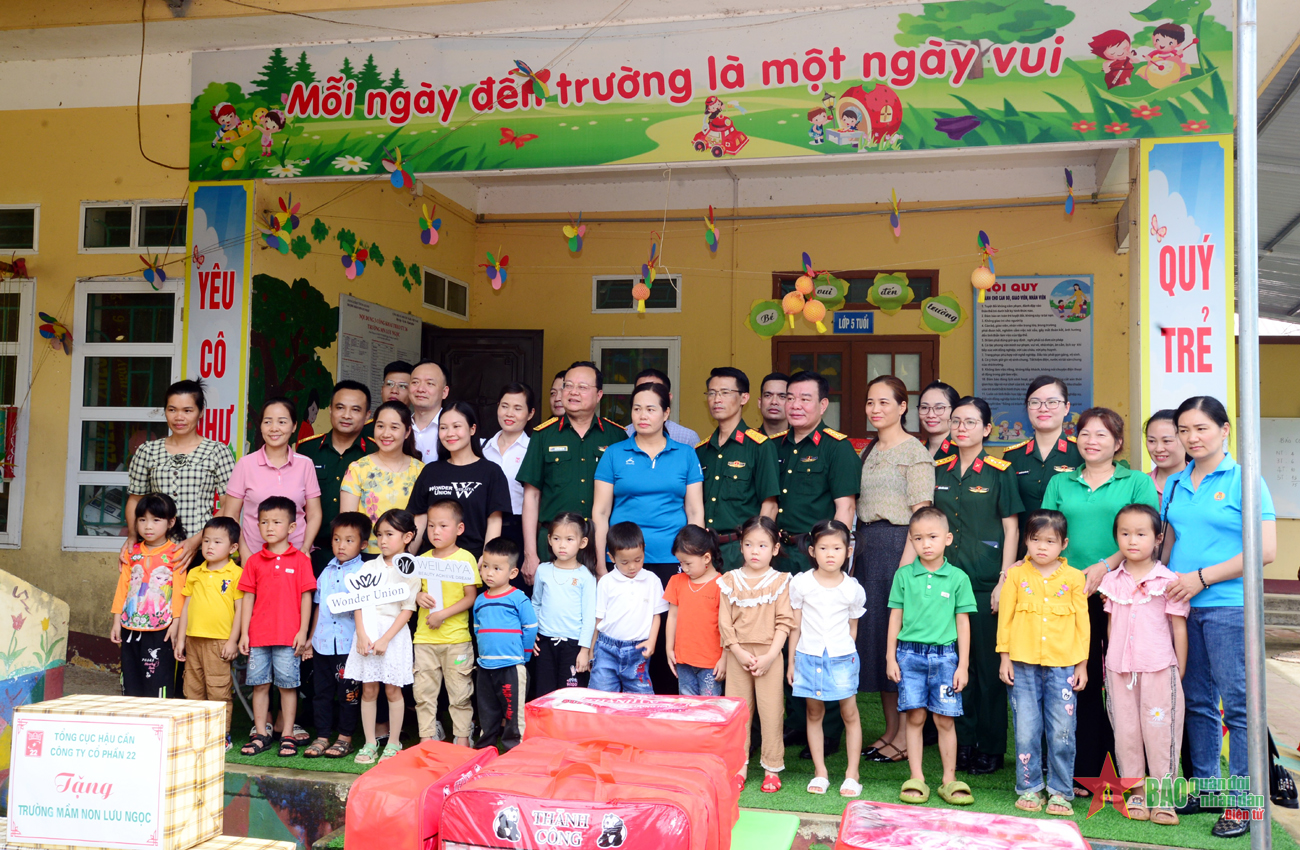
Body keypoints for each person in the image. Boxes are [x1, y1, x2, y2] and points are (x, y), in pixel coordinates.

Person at [1157, 396, 1276, 839]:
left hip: (1229, 606)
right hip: (1184, 609)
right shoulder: (1176, 482)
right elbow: (1168, 543)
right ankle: (1206, 787)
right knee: (1198, 701)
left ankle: (1242, 804)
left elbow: (1264, 551)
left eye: (1201, 428)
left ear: (1225, 430)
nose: (1192, 438)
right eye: (1184, 430)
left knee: (1240, 706)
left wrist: (1201, 578)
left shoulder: (1246, 479)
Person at [1041, 407, 1157, 795]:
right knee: (1081, 681)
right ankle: (1085, 770)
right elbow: (1047, 533)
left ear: (1118, 443)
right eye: (1085, 434)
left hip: (1125, 594)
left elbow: (1144, 533)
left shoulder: (1136, 482)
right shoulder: (1062, 483)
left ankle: (1135, 774)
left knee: (1125, 681)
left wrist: (1104, 566)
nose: (1092, 441)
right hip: (1072, 595)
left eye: (1102, 435)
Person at [593, 381, 704, 694]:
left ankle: (665, 710)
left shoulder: (685, 454)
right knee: (628, 637)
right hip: (625, 561)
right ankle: (623, 714)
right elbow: (600, 512)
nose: (643, 415)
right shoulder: (615, 454)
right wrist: (603, 561)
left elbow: (695, 512)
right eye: (637, 408)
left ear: (666, 412)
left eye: (651, 408)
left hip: (672, 562)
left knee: (668, 636)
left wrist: (690, 561)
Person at [932, 396, 1022, 775]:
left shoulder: (1000, 470)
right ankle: (963, 741)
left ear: (987, 429)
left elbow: (1012, 527)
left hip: (985, 581)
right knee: (954, 666)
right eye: (956, 421)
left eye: (970, 422)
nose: (961, 428)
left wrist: (1004, 580)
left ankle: (990, 746)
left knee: (987, 670)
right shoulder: (938, 469)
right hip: (944, 582)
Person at [854, 375, 934, 765]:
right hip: (868, 550)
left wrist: (906, 565)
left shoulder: (915, 451)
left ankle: (906, 735)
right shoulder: (868, 449)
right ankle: (890, 730)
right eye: (871, 402)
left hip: (898, 549)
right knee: (875, 642)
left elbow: (922, 515)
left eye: (884, 402)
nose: (875, 409)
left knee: (899, 644)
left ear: (903, 407)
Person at [1099, 503, 1189, 827]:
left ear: (1158, 538)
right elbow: (1110, 627)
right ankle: (1135, 790)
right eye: (1125, 534)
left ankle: (1164, 796)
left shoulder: (1169, 581)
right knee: (1126, 732)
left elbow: (1178, 628)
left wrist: (1178, 670)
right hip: (1119, 671)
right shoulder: (1111, 581)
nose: (1132, 541)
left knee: (1161, 732)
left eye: (1141, 534)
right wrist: (1109, 660)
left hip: (1158, 670)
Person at [995, 510, 1089, 817]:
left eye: (1050, 541)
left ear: (1064, 544)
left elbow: (1082, 625)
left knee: (1063, 730)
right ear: (1026, 541)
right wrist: (1004, 657)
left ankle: (1060, 791)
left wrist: (1082, 665)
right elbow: (1005, 619)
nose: (1042, 547)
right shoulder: (1016, 575)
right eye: (1035, 540)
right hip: (1021, 665)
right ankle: (1029, 787)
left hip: (1063, 666)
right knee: (1026, 729)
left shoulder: (1075, 578)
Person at [887, 506, 976, 807]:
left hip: (945, 657)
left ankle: (949, 779)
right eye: (918, 538)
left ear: (948, 538)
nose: (926, 544)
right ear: (911, 541)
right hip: (909, 655)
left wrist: (962, 664)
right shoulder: (903, 576)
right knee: (915, 715)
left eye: (933, 537)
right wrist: (890, 656)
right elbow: (895, 617)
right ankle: (916, 777)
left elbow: (963, 623)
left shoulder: (958, 578)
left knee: (945, 719)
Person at [518, 361, 627, 581]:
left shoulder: (617, 437)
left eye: (582, 387)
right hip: (553, 542)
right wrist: (530, 553)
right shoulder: (543, 435)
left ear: (599, 395)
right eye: (568, 386)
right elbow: (531, 495)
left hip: (602, 543)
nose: (572, 392)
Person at [787, 519, 865, 799]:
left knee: (849, 713)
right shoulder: (801, 583)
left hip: (842, 657)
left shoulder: (852, 588)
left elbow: (853, 628)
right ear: (812, 551)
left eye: (836, 548)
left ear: (848, 551)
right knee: (813, 712)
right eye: (823, 548)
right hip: (808, 656)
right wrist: (792, 662)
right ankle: (820, 771)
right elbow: (795, 625)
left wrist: (846, 655)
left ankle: (852, 774)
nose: (830, 554)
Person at [718, 516, 794, 793]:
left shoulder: (781, 581)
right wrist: (736, 651)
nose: (754, 551)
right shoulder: (729, 580)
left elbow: (785, 622)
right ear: (740, 546)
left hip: (769, 656)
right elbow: (724, 623)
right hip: (738, 655)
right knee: (739, 714)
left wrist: (771, 656)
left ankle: (772, 768)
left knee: (772, 712)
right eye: (748, 544)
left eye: (762, 545)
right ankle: (739, 767)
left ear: (774, 549)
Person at [237, 496, 317, 757]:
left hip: (289, 635)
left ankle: (288, 735)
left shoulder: (301, 560)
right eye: (263, 522)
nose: (269, 527)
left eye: (276, 522)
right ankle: (261, 733)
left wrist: (303, 631)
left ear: (292, 528)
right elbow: (248, 598)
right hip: (259, 635)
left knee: (288, 685)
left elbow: (307, 597)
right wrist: (244, 633)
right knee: (259, 685)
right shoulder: (254, 562)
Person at [126, 379, 235, 566]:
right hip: (155, 548)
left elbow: (228, 506)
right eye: (172, 409)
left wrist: (196, 542)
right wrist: (132, 536)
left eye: (187, 410)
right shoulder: (147, 451)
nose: (179, 417)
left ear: (200, 412)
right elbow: (135, 499)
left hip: (204, 551)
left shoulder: (217, 451)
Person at [345, 509, 421, 764]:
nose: (383, 540)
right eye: (380, 535)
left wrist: (387, 638)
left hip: (393, 634)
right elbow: (358, 602)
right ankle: (369, 743)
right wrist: (362, 635)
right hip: (367, 632)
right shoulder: (368, 566)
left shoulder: (411, 569)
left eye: (390, 534)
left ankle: (393, 742)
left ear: (407, 536)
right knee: (368, 689)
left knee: (392, 690)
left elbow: (408, 608)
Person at [772, 370, 859, 572]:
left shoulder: (837, 447)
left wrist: (831, 556)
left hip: (814, 553)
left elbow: (845, 508)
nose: (795, 405)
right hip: (777, 552)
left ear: (823, 405)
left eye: (805, 399)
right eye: (790, 398)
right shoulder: (773, 446)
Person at [412, 499, 481, 747]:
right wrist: (418, 596)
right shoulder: (422, 559)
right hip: (424, 639)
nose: (436, 532)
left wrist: (442, 614)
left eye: (443, 526)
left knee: (460, 693)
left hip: (456, 640)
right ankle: (426, 739)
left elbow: (470, 597)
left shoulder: (465, 559)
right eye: (431, 526)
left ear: (459, 529)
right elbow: (413, 593)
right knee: (423, 694)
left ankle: (462, 738)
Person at [697, 367, 779, 571]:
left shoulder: (759, 446)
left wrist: (755, 553)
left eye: (725, 393)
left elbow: (769, 506)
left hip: (740, 550)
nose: (717, 399)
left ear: (744, 398)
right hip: (705, 550)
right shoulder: (701, 450)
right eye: (712, 393)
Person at [304, 512, 371, 760]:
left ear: (363, 544)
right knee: (320, 693)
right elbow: (319, 606)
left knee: (348, 694)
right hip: (323, 643)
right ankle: (322, 736)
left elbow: (367, 609)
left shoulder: (365, 571)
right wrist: (311, 638)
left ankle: (345, 738)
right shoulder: (327, 571)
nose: (341, 546)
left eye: (349, 540)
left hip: (348, 644)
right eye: (336, 539)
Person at [407, 402, 512, 560]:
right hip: (431, 562)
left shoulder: (491, 472)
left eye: (456, 426)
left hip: (472, 562)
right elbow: (421, 519)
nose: (450, 433)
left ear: (472, 429)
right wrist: (407, 557)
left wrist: (487, 559)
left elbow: (494, 521)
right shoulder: (431, 471)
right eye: (443, 428)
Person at [175, 516, 243, 749]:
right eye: (205, 541)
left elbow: (241, 610)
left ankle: (220, 736)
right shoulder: (195, 573)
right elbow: (186, 607)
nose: (209, 546)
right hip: (193, 640)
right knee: (192, 689)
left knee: (218, 690)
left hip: (220, 642)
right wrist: (181, 639)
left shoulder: (236, 574)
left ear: (233, 548)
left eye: (217, 542)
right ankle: (197, 734)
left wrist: (233, 641)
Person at [223, 397, 322, 556]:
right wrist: (244, 552)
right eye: (268, 422)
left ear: (294, 426)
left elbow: (314, 513)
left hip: (296, 556)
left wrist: (305, 548)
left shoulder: (305, 464)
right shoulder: (245, 464)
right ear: (261, 426)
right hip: (254, 556)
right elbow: (231, 515)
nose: (274, 428)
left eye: (282, 422)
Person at [111, 493, 187, 698]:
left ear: (171, 522)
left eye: (156, 520)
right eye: (142, 520)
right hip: (130, 625)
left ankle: (160, 722)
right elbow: (123, 588)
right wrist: (117, 620)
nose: (148, 526)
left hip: (162, 628)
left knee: (158, 678)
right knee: (131, 679)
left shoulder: (177, 553)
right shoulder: (131, 552)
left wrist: (176, 624)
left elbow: (180, 592)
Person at [298, 380, 375, 574]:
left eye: (356, 410)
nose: (346, 415)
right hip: (312, 551)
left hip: (360, 556)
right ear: (330, 410)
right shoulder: (307, 449)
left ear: (367, 416)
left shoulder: (376, 452)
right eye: (340, 407)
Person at [473, 537, 538, 752]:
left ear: (512, 573)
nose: (489, 573)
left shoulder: (518, 598)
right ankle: (485, 751)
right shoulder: (480, 599)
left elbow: (530, 628)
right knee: (487, 712)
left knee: (513, 714)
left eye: (497, 568)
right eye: (485, 567)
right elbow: (477, 629)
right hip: (485, 668)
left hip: (511, 666)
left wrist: (523, 658)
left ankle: (514, 753)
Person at [1003, 376, 1082, 549]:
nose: (1043, 408)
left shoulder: (1081, 452)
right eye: (1035, 402)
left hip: (1071, 552)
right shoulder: (1012, 456)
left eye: (1052, 402)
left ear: (1066, 408)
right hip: (1025, 554)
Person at [590, 522, 667, 694]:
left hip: (637, 650)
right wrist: (591, 650)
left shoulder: (652, 580)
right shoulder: (606, 582)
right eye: (624, 562)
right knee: (600, 697)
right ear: (611, 557)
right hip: (606, 648)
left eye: (638, 560)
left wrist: (652, 640)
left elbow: (657, 615)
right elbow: (599, 619)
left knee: (641, 700)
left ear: (644, 549)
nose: (632, 566)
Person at [340, 400, 424, 553]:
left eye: (394, 427)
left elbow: (422, 518)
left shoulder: (420, 471)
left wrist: (406, 557)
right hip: (366, 558)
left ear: (407, 432)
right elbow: (349, 523)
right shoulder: (358, 469)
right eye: (380, 426)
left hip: (406, 558)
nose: (386, 433)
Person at [531, 512, 597, 696]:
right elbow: (535, 603)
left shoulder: (586, 576)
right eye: (557, 538)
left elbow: (589, 616)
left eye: (569, 539)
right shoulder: (543, 571)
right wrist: (533, 632)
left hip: (573, 646)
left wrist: (585, 650)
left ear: (582, 543)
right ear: (549, 539)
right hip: (545, 643)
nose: (562, 545)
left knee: (570, 696)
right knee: (544, 694)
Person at [664, 525, 725, 696]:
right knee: (688, 707)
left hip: (711, 663)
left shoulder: (722, 585)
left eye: (688, 563)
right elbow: (672, 617)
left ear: (706, 558)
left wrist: (724, 658)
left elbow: (727, 625)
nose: (684, 568)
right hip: (683, 660)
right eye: (681, 563)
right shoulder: (677, 581)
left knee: (710, 708)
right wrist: (670, 648)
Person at [483, 382, 535, 558]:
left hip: (518, 529)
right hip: (484, 527)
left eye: (517, 408)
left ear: (530, 414)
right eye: (504, 406)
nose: (509, 414)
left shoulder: (533, 450)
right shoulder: (482, 448)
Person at [623, 369, 700, 446]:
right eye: (642, 390)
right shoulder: (624, 435)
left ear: (668, 398)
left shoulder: (687, 438)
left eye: (655, 390)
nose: (647, 394)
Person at [359, 361, 414, 439]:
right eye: (389, 384)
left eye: (402, 386)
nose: (394, 391)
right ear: (382, 389)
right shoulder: (363, 429)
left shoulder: (418, 430)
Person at [409, 360, 450, 463]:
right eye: (415, 382)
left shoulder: (454, 430)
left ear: (444, 392)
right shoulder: (399, 426)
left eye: (430, 383)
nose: (421, 389)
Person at [1144, 409, 1187, 506]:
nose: (1158, 449)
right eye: (1151, 441)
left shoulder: (1202, 482)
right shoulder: (1140, 484)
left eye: (1167, 441)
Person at [918, 380, 960, 457]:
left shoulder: (963, 451)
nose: (931, 415)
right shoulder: (915, 449)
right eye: (924, 407)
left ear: (955, 411)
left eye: (939, 408)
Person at [758, 372, 790, 438]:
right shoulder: (748, 443)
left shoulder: (801, 442)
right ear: (759, 402)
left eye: (782, 396)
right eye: (768, 395)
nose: (774, 402)